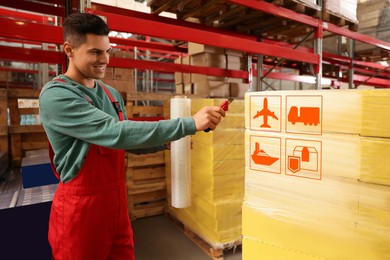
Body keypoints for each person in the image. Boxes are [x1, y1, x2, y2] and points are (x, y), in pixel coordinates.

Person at [39, 12, 226, 260]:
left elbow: (126, 141)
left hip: (117, 205)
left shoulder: (111, 93)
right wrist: (188, 124)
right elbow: (114, 132)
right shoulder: (56, 95)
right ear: (69, 50)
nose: (105, 59)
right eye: (96, 52)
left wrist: (165, 143)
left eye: (107, 51)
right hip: (82, 209)